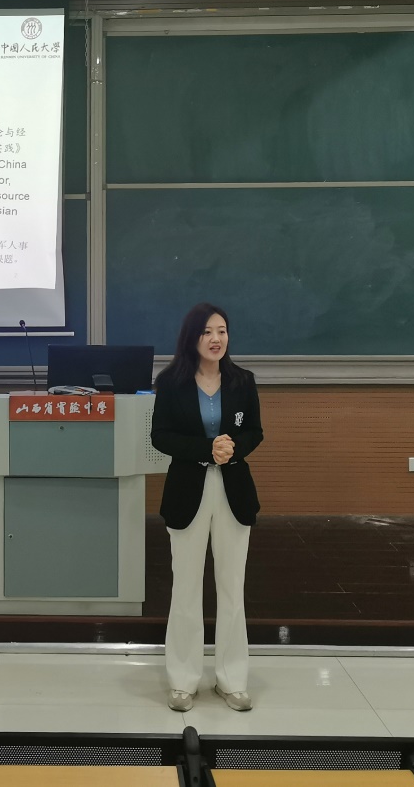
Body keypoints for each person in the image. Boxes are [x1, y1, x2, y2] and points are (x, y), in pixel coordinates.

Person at [151, 302, 263, 712]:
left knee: (232, 587)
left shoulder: (243, 380)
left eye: (222, 331)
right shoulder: (171, 382)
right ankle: (183, 681)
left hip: (233, 490)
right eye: (207, 332)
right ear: (192, 338)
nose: (216, 339)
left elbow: (255, 431)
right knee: (186, 587)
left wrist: (233, 449)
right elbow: (160, 436)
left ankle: (232, 680)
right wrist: (205, 449)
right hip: (188, 489)